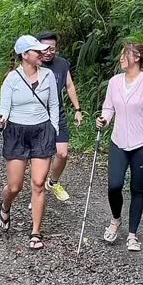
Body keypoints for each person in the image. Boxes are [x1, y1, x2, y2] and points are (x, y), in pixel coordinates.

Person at [97, 42, 143, 252]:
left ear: (136, 57)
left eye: (124, 55)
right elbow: (108, 108)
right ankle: (115, 219)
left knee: (137, 189)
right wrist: (104, 120)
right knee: (114, 185)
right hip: (118, 141)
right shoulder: (114, 82)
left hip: (142, 144)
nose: (121, 59)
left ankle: (132, 235)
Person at [0, 35, 59, 251]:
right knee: (15, 186)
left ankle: (35, 231)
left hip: (42, 131)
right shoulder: (12, 79)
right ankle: (5, 206)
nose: (42, 54)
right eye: (37, 51)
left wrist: (54, 130)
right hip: (16, 132)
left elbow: (54, 106)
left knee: (38, 184)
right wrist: (0, 120)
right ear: (25, 55)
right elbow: (4, 108)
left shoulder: (48, 75)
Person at [36, 31, 83, 203]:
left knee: (62, 154)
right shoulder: (34, 64)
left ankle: (52, 183)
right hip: (38, 116)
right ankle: (37, 190)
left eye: (52, 48)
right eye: (45, 48)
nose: (49, 52)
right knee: (43, 156)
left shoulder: (62, 64)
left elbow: (69, 86)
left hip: (58, 114)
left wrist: (78, 109)